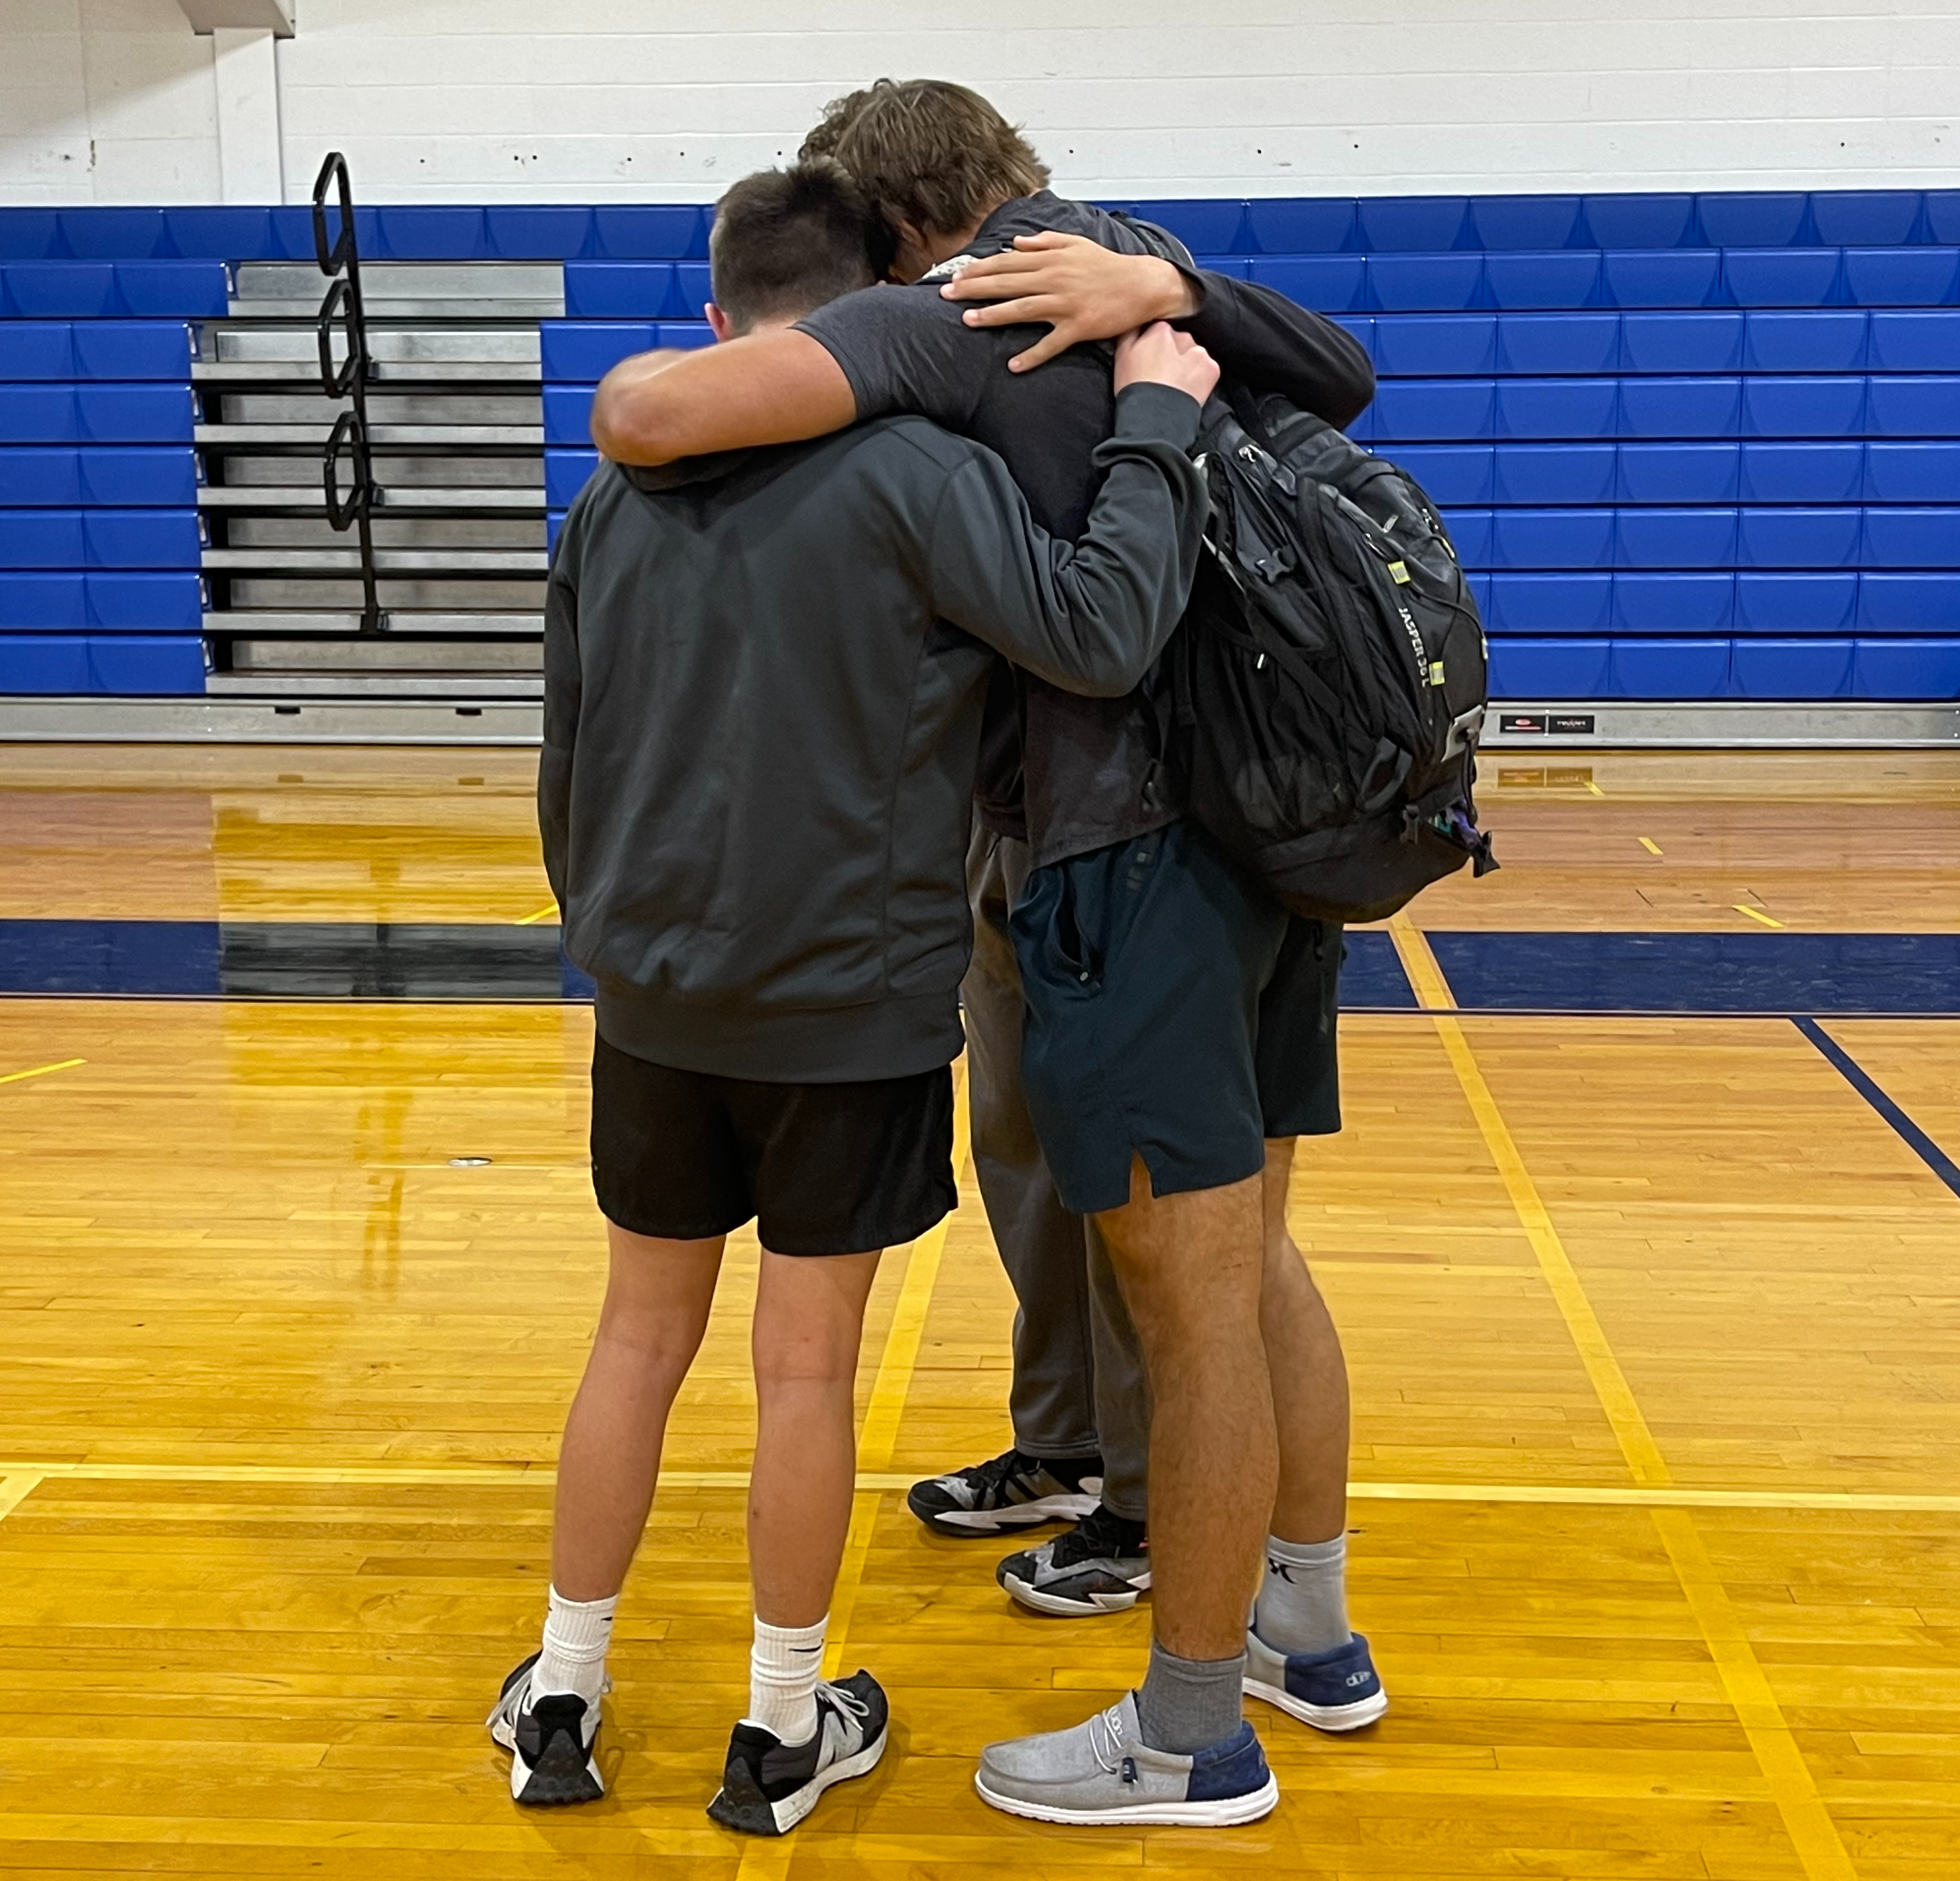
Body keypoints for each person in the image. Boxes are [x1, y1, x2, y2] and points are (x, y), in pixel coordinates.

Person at [589, 80, 1386, 1828]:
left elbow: (647, 411)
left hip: (1131, 860)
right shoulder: (1136, 263)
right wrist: (1168, 300)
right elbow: (1344, 366)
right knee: (1254, 1268)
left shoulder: (941, 314)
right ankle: (1308, 1634)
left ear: (889, 231)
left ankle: (1191, 1737)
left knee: (1181, 1306)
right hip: (1281, 837)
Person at [497, 157, 1217, 1837]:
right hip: (855, 1008)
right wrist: (1158, 433)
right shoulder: (915, 468)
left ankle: (564, 1689)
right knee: (804, 1371)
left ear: (715, 317)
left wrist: (617, 932)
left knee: (631, 1339)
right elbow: (1102, 635)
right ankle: (774, 1723)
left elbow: (564, 764)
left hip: (658, 1002)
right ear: (889, 313)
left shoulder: (612, 500)